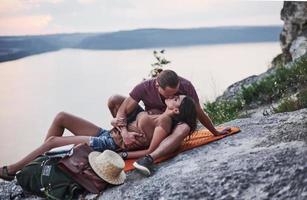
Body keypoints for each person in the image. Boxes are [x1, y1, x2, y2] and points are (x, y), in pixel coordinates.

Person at [0, 95, 197, 181]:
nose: (173, 96)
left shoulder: (163, 125)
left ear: (177, 109)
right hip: (107, 134)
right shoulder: (158, 113)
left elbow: (149, 152)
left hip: (107, 145)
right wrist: (121, 128)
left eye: (177, 98)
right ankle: (39, 162)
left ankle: (13, 170)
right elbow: (122, 112)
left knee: (53, 142)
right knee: (61, 117)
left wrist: (123, 151)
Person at [109, 70, 231, 175]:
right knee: (114, 100)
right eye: (169, 94)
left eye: (176, 93)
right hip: (149, 124)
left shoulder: (186, 86)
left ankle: (148, 158)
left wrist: (215, 131)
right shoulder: (144, 87)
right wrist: (124, 133)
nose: (173, 96)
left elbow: (199, 111)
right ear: (157, 85)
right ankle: (126, 140)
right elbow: (122, 110)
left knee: (184, 127)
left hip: (169, 126)